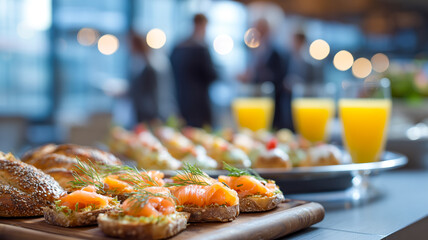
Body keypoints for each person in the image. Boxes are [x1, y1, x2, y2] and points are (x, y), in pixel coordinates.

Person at [238, 18, 290, 130]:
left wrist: (254, 75)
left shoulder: (278, 53)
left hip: (274, 104)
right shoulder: (254, 51)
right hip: (255, 101)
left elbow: (279, 78)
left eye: (261, 29)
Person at [170, 13, 217, 127]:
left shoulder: (178, 46)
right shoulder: (201, 48)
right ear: (201, 25)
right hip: (199, 103)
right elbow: (211, 75)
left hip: (181, 100)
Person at [129, 32, 177, 124]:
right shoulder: (139, 64)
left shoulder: (150, 67)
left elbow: (156, 93)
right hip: (144, 113)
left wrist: (156, 115)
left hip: (151, 116)